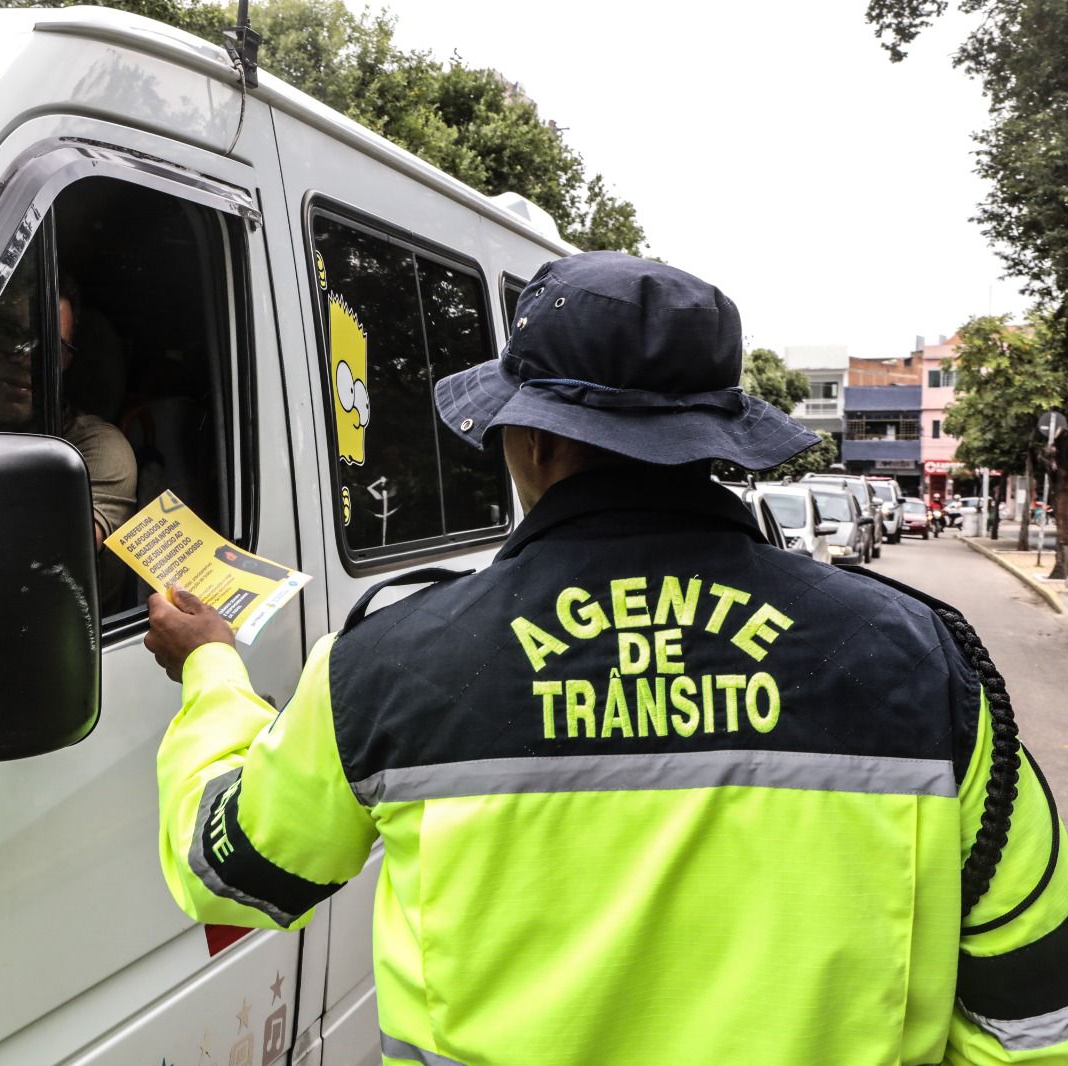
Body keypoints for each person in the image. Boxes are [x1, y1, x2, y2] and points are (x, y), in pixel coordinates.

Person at [142, 252, 1068, 1065]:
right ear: (713, 442)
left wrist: (212, 671)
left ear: (534, 439)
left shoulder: (386, 666)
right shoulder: (919, 662)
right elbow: (1032, 1017)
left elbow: (230, 870)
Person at [0, 270, 136, 549]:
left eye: (50, 348)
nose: (26, 359)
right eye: (8, 333)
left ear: (66, 362)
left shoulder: (87, 451)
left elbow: (50, 557)